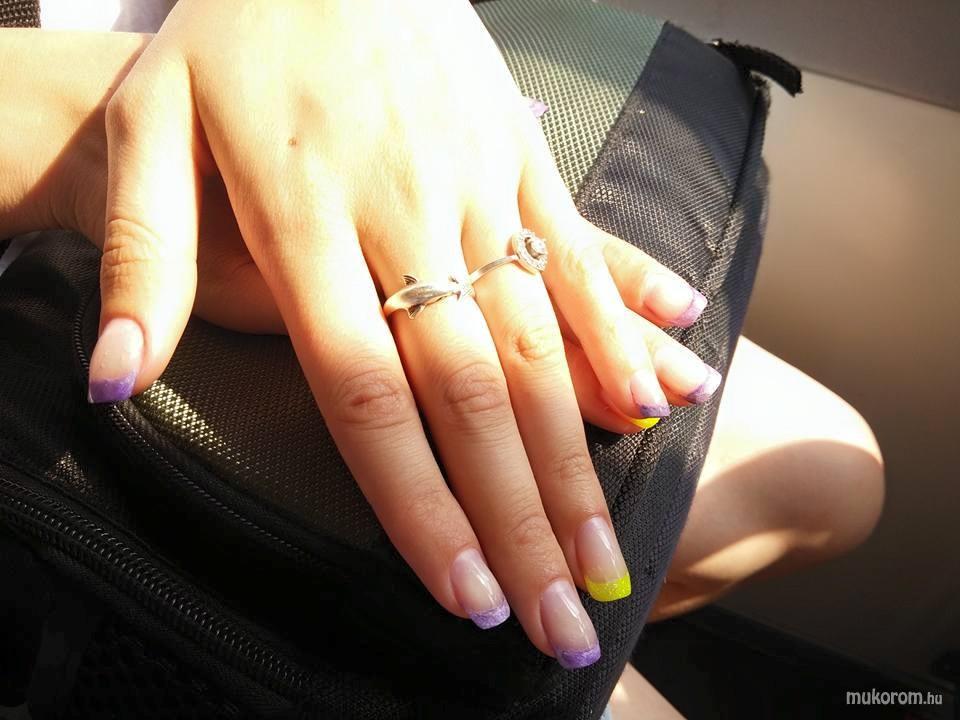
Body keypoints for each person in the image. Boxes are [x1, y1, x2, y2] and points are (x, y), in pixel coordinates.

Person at [0, 2, 884, 716]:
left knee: (829, 481)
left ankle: (548, 657)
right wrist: (89, 116)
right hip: (53, 267)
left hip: (329, 134)